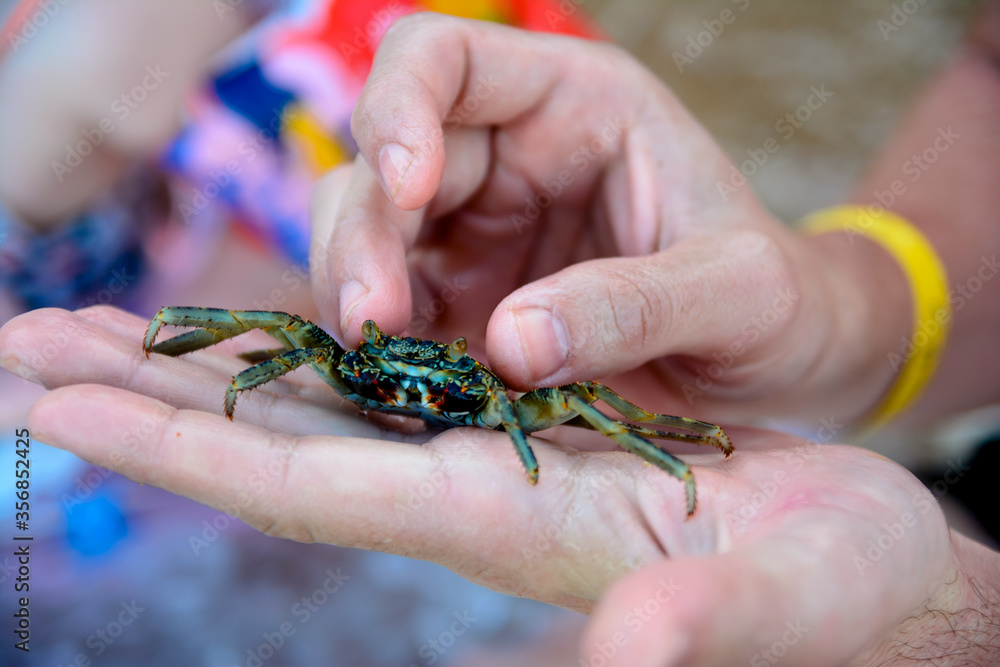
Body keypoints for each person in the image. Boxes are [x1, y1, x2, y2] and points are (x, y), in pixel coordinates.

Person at [3, 8, 1000, 667]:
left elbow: (572, 400)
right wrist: (850, 308)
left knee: (590, 408)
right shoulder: (355, 348)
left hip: (491, 405)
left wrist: (949, 620)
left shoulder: (500, 394)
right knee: (280, 316)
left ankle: (693, 448)